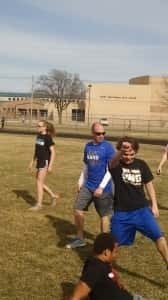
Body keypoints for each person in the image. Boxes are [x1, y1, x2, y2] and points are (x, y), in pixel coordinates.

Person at [108, 136, 168, 270]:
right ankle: (107, 270)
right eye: (125, 154)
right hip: (121, 212)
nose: (128, 157)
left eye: (131, 154)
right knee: (113, 244)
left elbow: (149, 184)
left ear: (136, 152)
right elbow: (111, 163)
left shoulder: (141, 164)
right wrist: (121, 150)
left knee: (159, 236)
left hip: (142, 210)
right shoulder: (117, 165)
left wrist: (154, 204)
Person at [66, 122, 115, 249]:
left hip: (103, 188)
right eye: (98, 133)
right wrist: (80, 180)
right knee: (77, 209)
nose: (101, 136)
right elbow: (86, 165)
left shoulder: (108, 148)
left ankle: (105, 244)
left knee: (104, 216)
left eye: (103, 133)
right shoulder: (88, 146)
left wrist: (101, 187)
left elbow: (111, 170)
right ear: (92, 133)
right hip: (88, 185)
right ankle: (80, 238)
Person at [70, 232, 154, 300]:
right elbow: (76, 296)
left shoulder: (101, 263)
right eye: (115, 251)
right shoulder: (95, 269)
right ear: (106, 252)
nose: (116, 255)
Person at [28, 120, 59, 210]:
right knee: (39, 182)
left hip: (44, 161)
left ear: (45, 127)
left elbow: (53, 152)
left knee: (39, 182)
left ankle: (39, 205)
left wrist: (50, 165)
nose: (38, 127)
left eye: (40, 126)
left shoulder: (48, 137)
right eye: (37, 126)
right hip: (39, 161)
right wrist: (32, 162)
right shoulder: (38, 136)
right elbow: (36, 151)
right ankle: (53, 196)